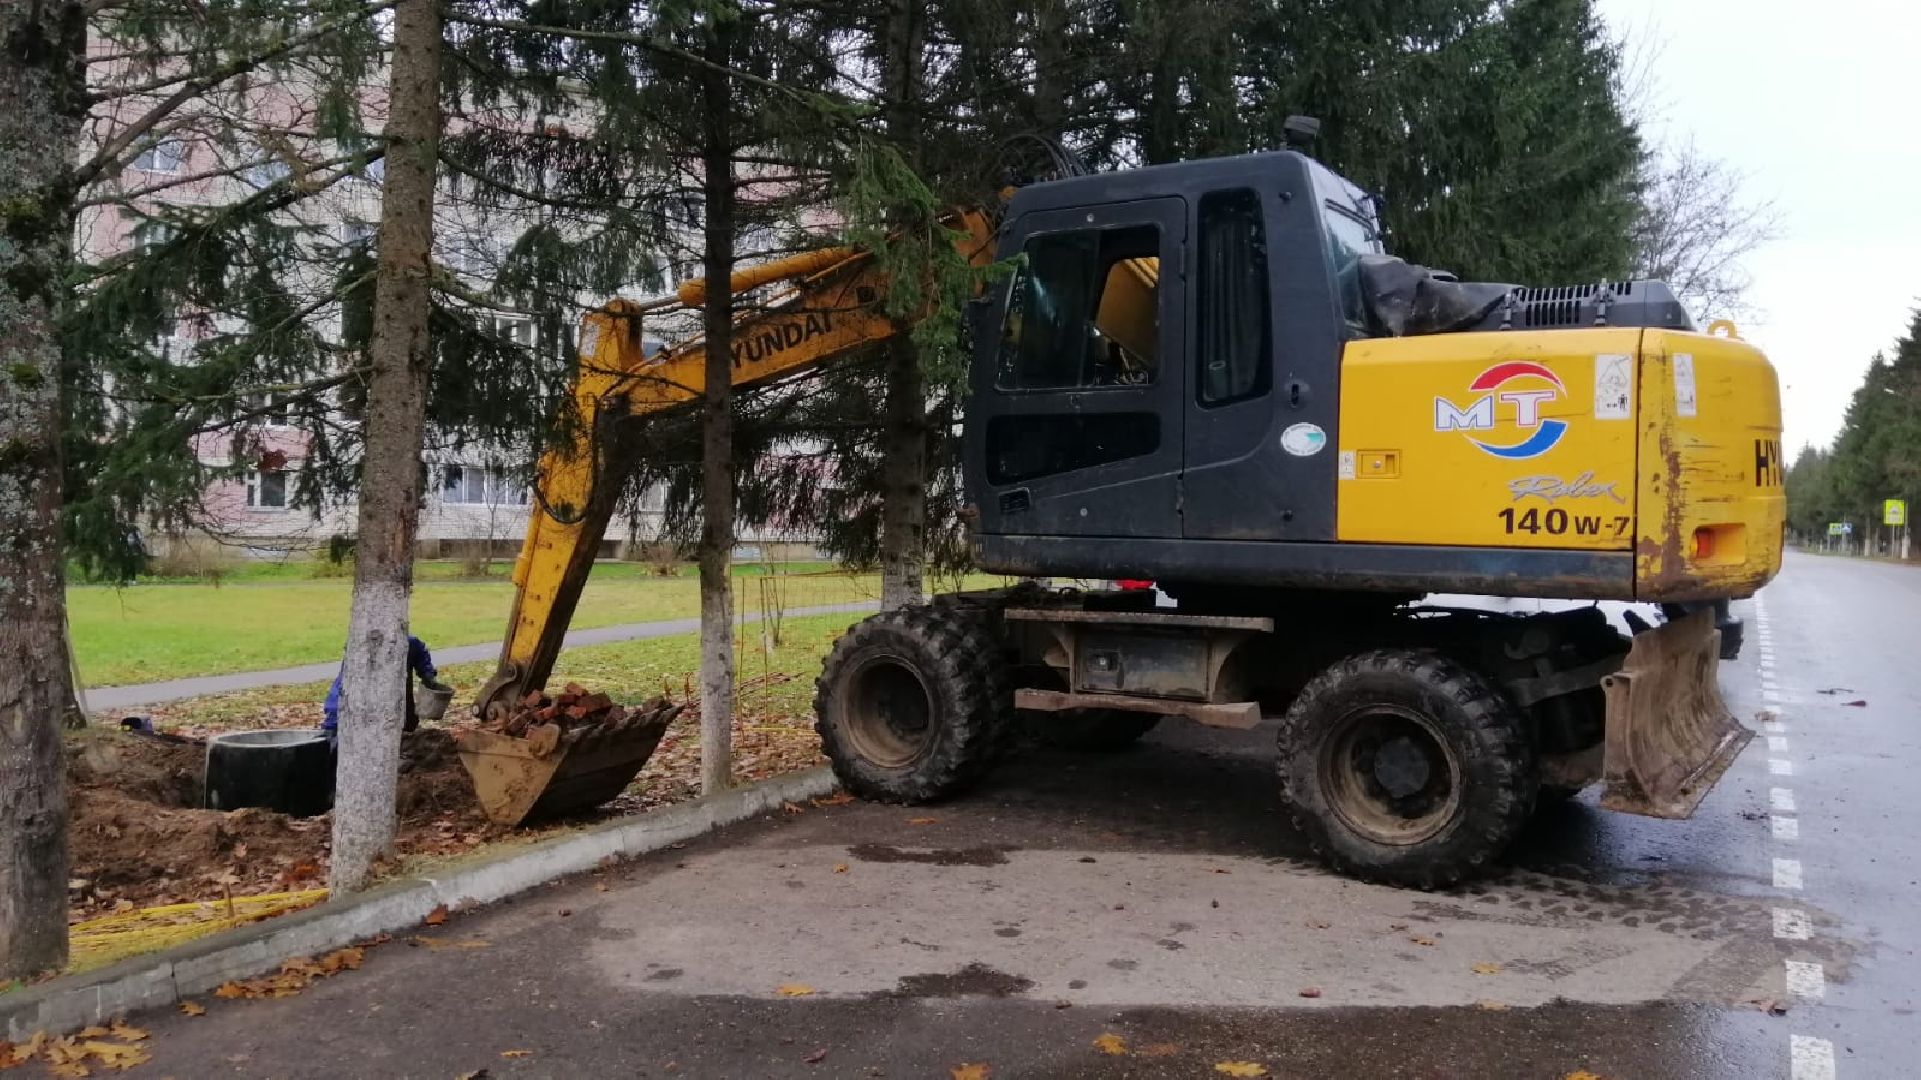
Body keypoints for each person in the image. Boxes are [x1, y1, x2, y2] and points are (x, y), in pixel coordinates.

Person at [322, 635, 451, 738]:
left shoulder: (407, 644)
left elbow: (420, 653)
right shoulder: (360, 656)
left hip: (398, 716)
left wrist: (428, 677)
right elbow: (339, 698)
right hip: (355, 720)